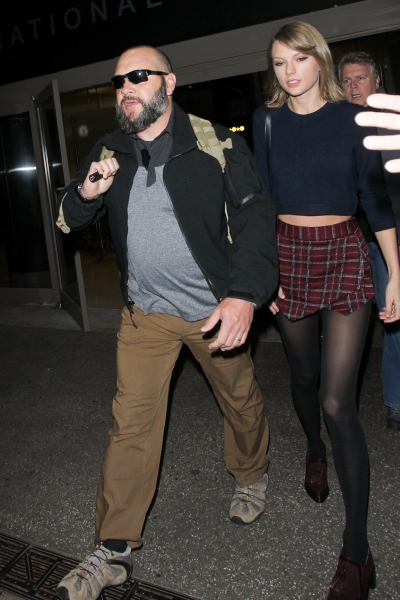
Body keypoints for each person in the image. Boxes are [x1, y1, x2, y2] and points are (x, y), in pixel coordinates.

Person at [55, 45, 278, 600]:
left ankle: (251, 473)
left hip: (212, 310)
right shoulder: (109, 148)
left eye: (138, 76)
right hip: (146, 315)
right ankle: (112, 549)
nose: (126, 89)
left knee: (239, 399)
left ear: (169, 83)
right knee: (130, 424)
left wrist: (244, 294)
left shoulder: (214, 142)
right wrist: (85, 192)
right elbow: (69, 217)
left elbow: (255, 218)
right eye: (118, 81)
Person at [252, 22, 400, 600]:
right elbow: (261, 204)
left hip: (343, 252)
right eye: (278, 62)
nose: (288, 72)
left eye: (298, 59)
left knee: (339, 402)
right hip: (288, 254)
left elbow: (375, 201)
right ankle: (314, 449)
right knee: (304, 377)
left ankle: (357, 552)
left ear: (319, 59)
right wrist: (263, 275)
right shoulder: (266, 122)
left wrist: (396, 272)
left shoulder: (351, 120)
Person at [338, 52, 400, 430]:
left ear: (377, 81)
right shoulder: (340, 130)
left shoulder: (393, 121)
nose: (353, 86)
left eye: (360, 78)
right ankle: (396, 401)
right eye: (346, 80)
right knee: (394, 316)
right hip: (377, 240)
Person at [356, 93, 400, 173]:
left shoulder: (395, 121)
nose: (353, 86)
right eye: (346, 82)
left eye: (361, 79)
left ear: (376, 85)